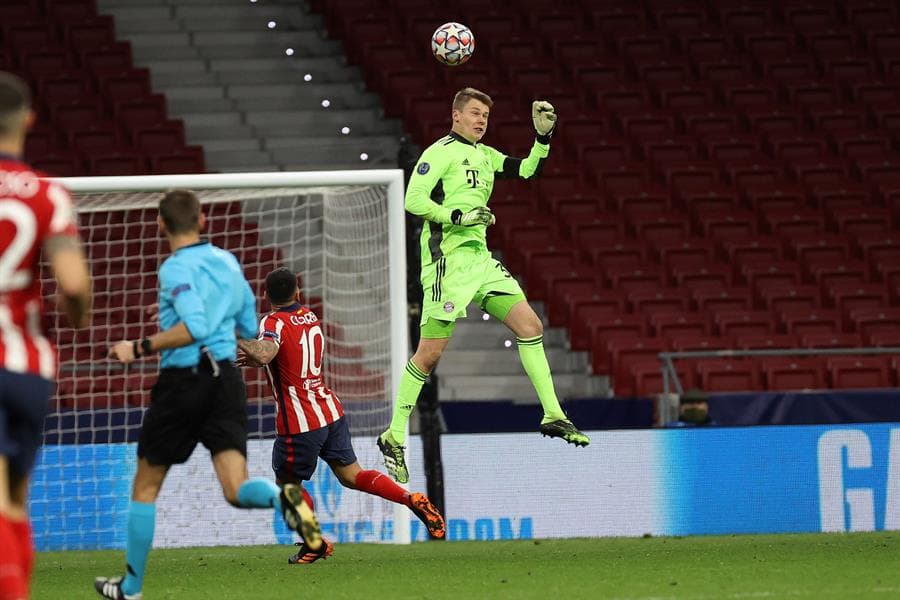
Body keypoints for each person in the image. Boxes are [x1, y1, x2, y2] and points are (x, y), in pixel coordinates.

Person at [96, 190, 321, 600]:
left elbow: (196, 326)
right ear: (202, 221)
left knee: (145, 488)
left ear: (160, 224)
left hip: (184, 382)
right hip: (227, 383)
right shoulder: (229, 263)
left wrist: (138, 347)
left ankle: (130, 587)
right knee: (236, 488)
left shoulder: (174, 268)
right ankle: (285, 499)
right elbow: (248, 327)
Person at [377, 87, 590, 483]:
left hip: (480, 260)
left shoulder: (485, 155)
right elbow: (413, 200)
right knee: (429, 356)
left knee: (531, 326)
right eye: (474, 113)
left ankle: (553, 414)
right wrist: (457, 216)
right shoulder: (438, 153)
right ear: (456, 115)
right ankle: (393, 435)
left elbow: (526, 170)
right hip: (446, 263)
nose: (481, 120)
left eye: (486, 116)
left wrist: (542, 138)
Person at [236, 267, 446, 561]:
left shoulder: (272, 321)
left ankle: (314, 543)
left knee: (288, 487)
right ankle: (409, 498)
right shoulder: (309, 316)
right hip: (329, 411)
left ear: (265, 295)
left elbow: (266, 352)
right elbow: (286, 355)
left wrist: (236, 336)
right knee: (352, 475)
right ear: (298, 292)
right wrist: (261, 359)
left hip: (300, 421)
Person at [0, 71, 92, 600]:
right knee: (15, 503)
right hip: (29, 369)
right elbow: (74, 285)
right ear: (30, 120)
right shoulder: (49, 194)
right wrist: (77, 317)